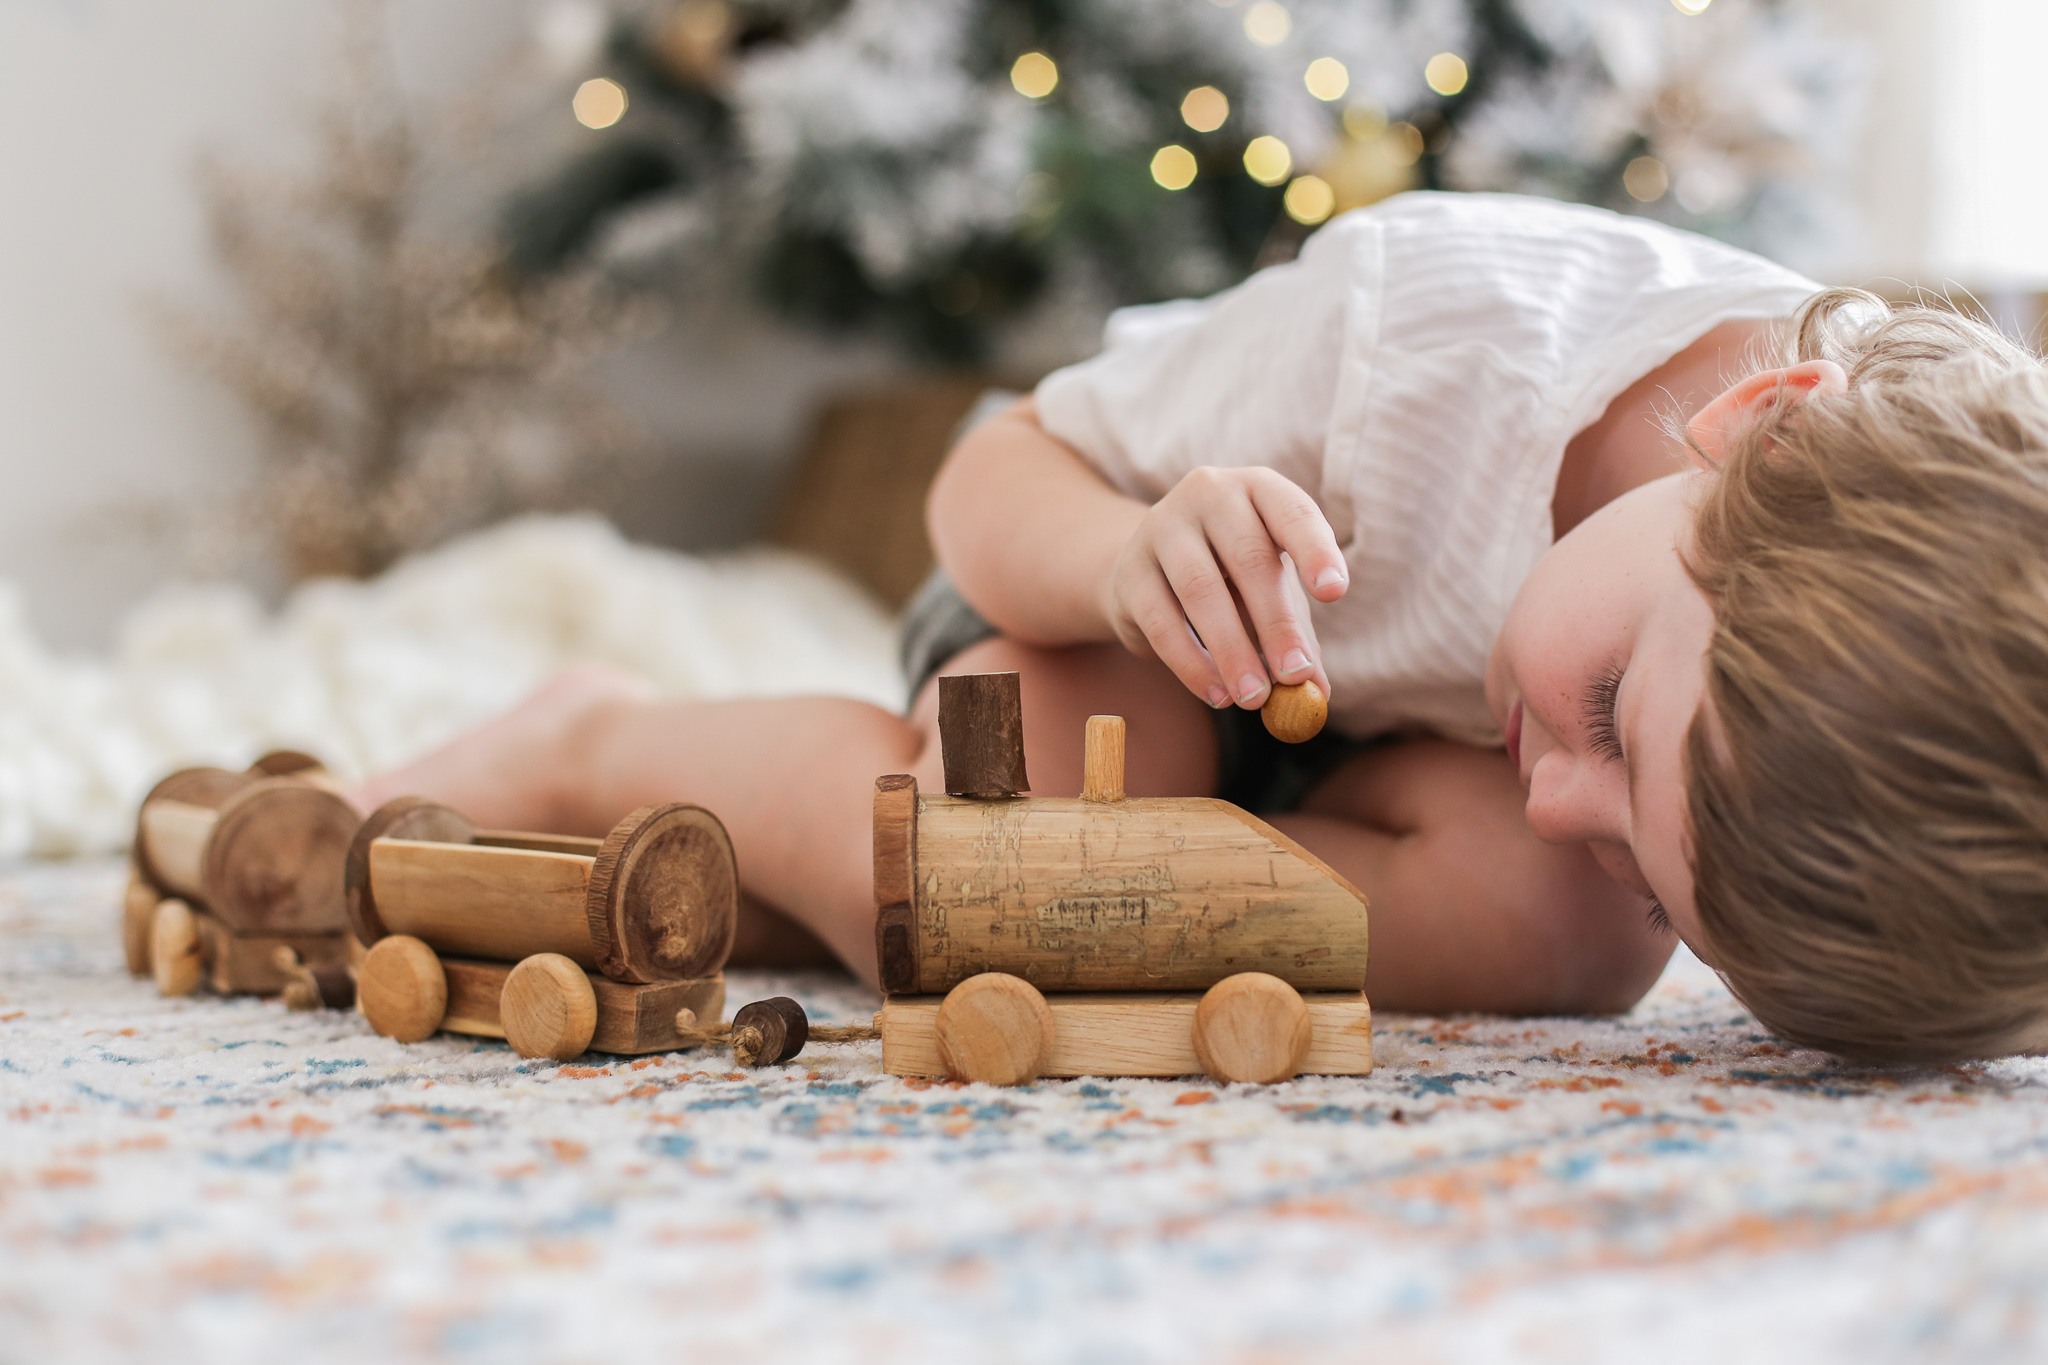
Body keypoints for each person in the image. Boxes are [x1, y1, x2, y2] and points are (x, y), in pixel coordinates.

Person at [358, 192, 2048, 1064]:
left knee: (1570, 950)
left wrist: (1603, 878)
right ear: (1763, 425)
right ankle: (589, 735)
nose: (1566, 799)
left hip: (1378, 762)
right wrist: (1119, 559)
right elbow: (992, 468)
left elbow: (1572, 803)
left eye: (1649, 861)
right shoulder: (1429, 333)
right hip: (1099, 610)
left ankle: (1169, 897)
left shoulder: (1655, 689)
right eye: (1611, 714)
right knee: (992, 871)